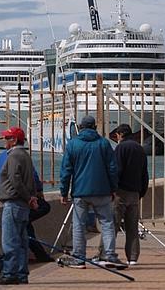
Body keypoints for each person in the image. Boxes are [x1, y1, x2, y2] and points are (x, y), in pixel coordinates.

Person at [60, 115, 125, 269]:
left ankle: (79, 258)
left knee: (79, 225)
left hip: (80, 192)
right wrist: (113, 188)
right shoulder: (103, 143)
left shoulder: (73, 144)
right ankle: (109, 255)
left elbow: (66, 171)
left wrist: (64, 192)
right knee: (107, 223)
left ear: (81, 127)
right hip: (102, 191)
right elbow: (112, 168)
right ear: (95, 127)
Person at [98, 124, 149, 265]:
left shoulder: (121, 148)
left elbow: (117, 170)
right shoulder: (140, 148)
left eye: (117, 135)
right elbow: (145, 173)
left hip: (121, 192)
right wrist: (141, 191)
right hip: (135, 193)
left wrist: (112, 189)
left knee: (111, 225)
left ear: (120, 134)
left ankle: (105, 254)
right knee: (132, 227)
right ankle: (133, 257)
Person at [0, 126, 38, 285]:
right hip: (22, 205)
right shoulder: (25, 155)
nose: (4, 140)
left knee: (10, 241)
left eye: (7, 138)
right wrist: (32, 198)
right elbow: (32, 179)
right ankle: (21, 274)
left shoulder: (13, 156)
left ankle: (10, 274)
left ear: (14, 140)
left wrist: (27, 197)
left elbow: (15, 180)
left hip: (13, 203)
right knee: (22, 240)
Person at [0, 151, 54, 265]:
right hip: (19, 200)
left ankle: (36, 256)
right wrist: (35, 194)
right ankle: (23, 265)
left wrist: (1, 194)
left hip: (8, 199)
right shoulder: (22, 156)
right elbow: (29, 176)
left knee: (22, 230)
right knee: (27, 226)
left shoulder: (1, 157)